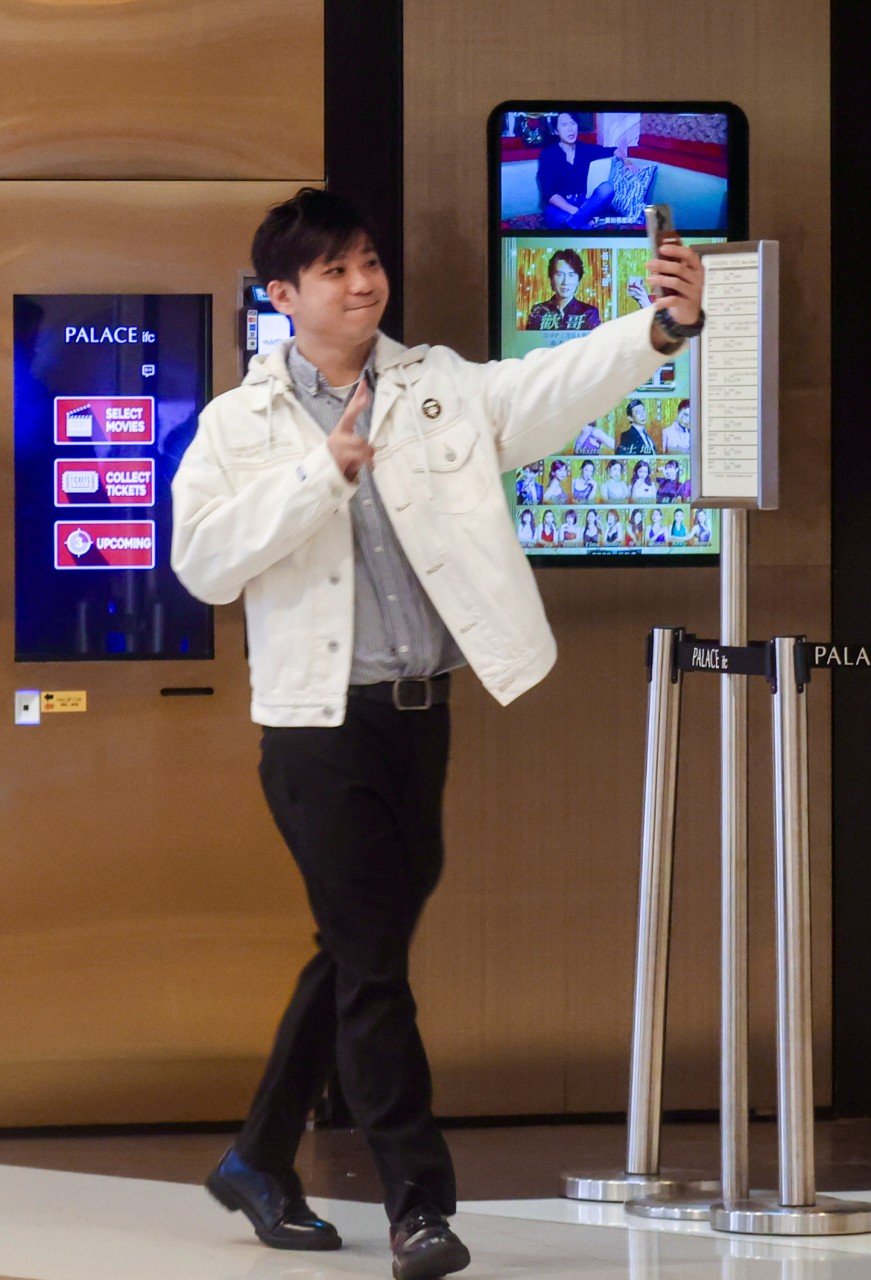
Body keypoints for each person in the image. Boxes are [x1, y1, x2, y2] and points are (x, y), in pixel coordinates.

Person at [170, 186, 705, 1280]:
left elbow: (548, 383)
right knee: (374, 966)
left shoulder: (436, 386)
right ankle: (419, 1206)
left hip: (421, 721)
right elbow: (203, 564)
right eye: (334, 270)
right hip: (318, 730)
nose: (362, 283)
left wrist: (660, 328)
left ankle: (257, 1158)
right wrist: (321, 473)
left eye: (368, 261)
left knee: (357, 950)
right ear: (283, 295)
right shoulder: (239, 425)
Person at [536, 111, 630, 230]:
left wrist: (627, 161)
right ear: (556, 131)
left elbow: (614, 150)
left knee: (607, 188)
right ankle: (583, 224)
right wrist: (576, 211)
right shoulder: (548, 155)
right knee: (560, 218)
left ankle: (576, 224)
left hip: (583, 203)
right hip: (559, 207)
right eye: (564, 125)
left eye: (573, 123)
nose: (570, 129)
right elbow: (548, 193)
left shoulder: (584, 149)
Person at [525, 249, 601, 332]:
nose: (565, 282)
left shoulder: (589, 312)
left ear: (578, 280)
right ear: (551, 279)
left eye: (571, 275)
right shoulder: (538, 311)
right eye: (559, 275)